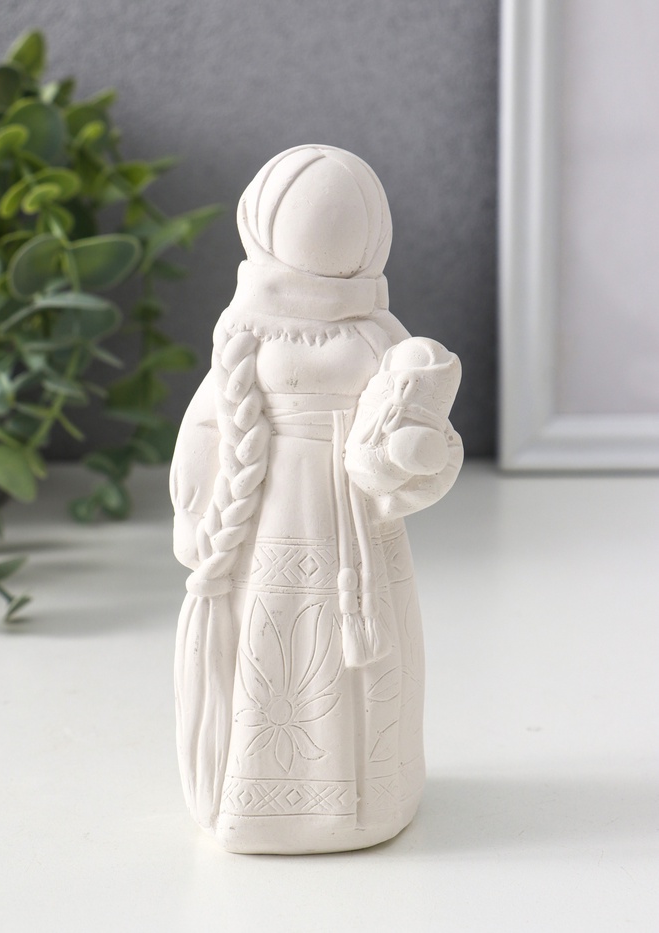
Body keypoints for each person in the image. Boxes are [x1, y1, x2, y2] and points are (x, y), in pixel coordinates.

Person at [170, 145, 463, 854]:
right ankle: (317, 801)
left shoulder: (329, 335)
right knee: (308, 655)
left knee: (316, 654)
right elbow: (209, 429)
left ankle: (325, 800)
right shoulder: (305, 334)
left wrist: (417, 452)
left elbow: (201, 440)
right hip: (310, 531)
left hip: (313, 531)